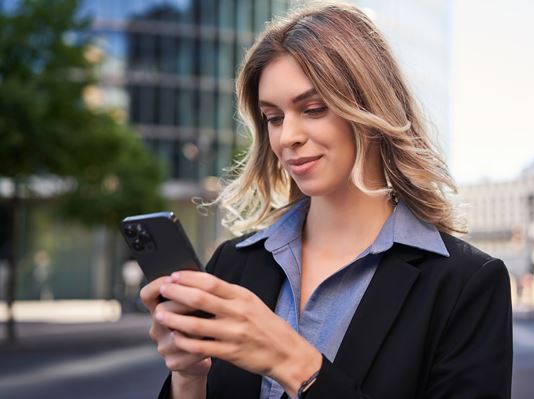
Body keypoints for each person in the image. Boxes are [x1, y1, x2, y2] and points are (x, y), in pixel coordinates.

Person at [140, 3, 513, 398]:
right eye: (274, 117)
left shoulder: (466, 283)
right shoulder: (232, 264)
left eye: (313, 109)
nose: (287, 138)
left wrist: (294, 364)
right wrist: (188, 377)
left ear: (369, 107)